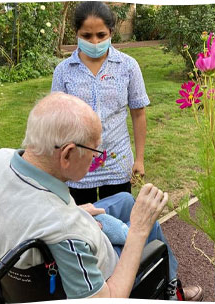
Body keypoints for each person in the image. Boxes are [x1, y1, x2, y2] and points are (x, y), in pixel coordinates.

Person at [0, 93, 203, 300]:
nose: (96, 158)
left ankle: (170, 282)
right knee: (147, 222)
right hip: (106, 276)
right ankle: (172, 292)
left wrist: (75, 213)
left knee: (124, 200)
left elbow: (32, 215)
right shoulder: (64, 230)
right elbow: (106, 299)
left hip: (32, 253)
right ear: (68, 154)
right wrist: (139, 230)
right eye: (94, 151)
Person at [51, 1, 148, 205]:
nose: (94, 41)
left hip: (116, 163)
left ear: (111, 32)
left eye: (101, 35)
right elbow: (57, 119)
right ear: (76, 33)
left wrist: (139, 159)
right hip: (78, 165)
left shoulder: (128, 66)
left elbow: (138, 113)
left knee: (119, 226)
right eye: (87, 36)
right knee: (82, 226)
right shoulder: (64, 71)